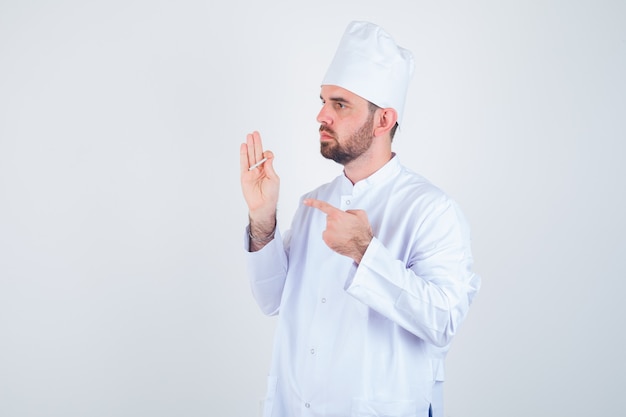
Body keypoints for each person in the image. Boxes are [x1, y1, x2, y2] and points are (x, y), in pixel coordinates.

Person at [239, 21, 481, 417]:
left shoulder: (431, 210)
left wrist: (365, 252)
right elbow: (271, 300)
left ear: (383, 120)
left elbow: (444, 320)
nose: (321, 114)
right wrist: (262, 219)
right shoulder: (312, 204)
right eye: (323, 100)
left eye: (339, 104)